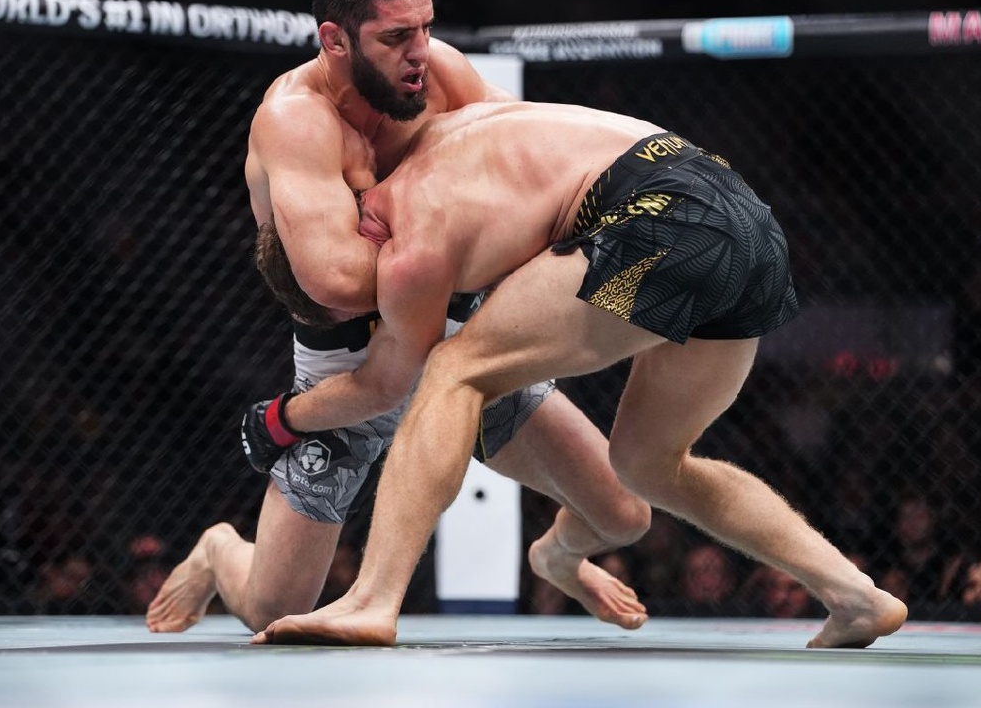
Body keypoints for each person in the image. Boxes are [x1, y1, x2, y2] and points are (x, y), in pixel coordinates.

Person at [248, 99, 909, 649]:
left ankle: (372, 600)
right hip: (750, 226)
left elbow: (393, 382)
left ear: (356, 226)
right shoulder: (451, 129)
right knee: (650, 465)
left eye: (350, 292)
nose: (368, 300)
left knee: (454, 369)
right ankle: (856, 595)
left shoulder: (408, 241)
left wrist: (282, 418)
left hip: (663, 221)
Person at [146, 0, 651, 636]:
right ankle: (220, 551)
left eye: (425, 27)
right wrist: (458, 244)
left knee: (623, 513)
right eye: (395, 37)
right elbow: (337, 282)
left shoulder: (441, 73)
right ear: (335, 40)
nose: (421, 52)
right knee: (273, 610)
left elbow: (541, 173)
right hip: (348, 362)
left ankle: (557, 559)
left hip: (458, 342)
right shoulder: (296, 120)